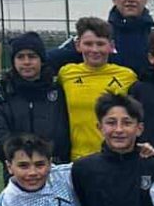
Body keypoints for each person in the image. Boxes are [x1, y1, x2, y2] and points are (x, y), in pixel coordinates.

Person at [0, 32, 71, 176]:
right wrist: (22, 161)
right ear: (13, 61)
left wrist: (44, 159)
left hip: (54, 171)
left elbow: (64, 134)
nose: (26, 62)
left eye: (32, 56)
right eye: (20, 57)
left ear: (42, 60)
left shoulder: (59, 92)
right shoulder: (1, 94)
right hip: (17, 173)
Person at [57, 17, 139, 158]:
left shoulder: (127, 76)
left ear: (111, 46)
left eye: (100, 44)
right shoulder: (66, 74)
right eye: (88, 44)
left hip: (116, 157)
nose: (94, 50)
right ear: (78, 45)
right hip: (78, 158)